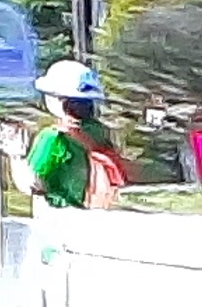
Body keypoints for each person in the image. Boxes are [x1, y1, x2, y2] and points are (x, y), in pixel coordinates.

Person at [20, 59, 127, 210]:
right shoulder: (98, 131)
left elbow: (31, 180)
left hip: (58, 209)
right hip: (91, 206)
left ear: (56, 100)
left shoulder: (52, 137)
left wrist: (15, 155)